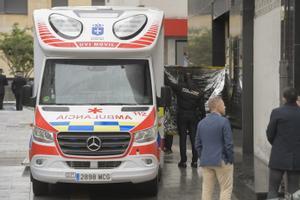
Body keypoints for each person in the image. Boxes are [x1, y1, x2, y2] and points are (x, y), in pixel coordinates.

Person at [195, 96, 234, 200]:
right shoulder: (224, 122)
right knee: (226, 188)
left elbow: (197, 144)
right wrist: (229, 160)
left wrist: (203, 156)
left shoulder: (201, 123)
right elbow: (229, 144)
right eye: (223, 104)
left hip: (206, 161)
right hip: (221, 160)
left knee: (207, 190)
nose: (225, 107)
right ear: (217, 106)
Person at [266, 87, 300, 200]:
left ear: (284, 98)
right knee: (295, 192)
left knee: (273, 190)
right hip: (296, 157)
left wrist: (277, 145)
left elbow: (270, 134)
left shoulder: (277, 112)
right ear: (297, 99)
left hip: (278, 156)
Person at [167, 72, 206, 168]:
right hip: (193, 116)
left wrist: (165, 72)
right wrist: (203, 117)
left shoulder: (180, 88)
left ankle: (183, 162)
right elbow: (202, 108)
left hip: (182, 115)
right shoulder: (199, 91)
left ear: (183, 79)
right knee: (194, 139)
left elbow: (169, 83)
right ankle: (195, 162)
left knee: (183, 139)